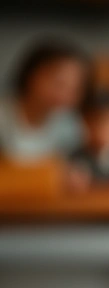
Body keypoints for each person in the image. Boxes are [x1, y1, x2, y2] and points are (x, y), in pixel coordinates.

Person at [0, 39, 91, 191]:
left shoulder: (68, 123)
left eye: (74, 89)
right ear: (31, 74)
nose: (63, 95)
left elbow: (77, 165)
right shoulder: (4, 115)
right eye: (58, 83)